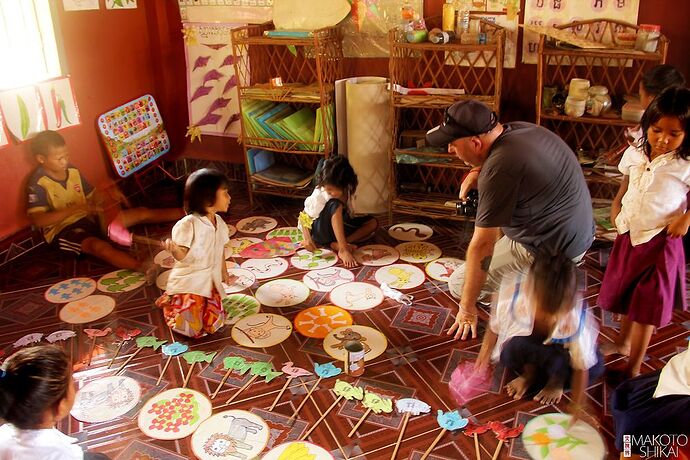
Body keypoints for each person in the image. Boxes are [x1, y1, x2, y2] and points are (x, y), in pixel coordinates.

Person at [425, 100, 594, 340]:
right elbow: (502, 161)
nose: (450, 150)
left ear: (475, 143)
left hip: (552, 252)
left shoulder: (499, 169)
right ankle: (539, 288)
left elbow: (483, 245)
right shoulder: (520, 129)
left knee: (459, 284)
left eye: (452, 144)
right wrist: (476, 170)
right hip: (578, 233)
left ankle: (538, 295)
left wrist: (467, 308)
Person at [598, 86, 690, 378]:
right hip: (629, 236)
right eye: (657, 129)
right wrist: (616, 210)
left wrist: (687, 218)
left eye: (674, 134)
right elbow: (624, 187)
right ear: (647, 124)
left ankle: (634, 368)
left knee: (646, 308)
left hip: (661, 242)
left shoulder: (684, 164)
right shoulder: (634, 153)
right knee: (627, 295)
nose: (663, 139)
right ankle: (622, 343)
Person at [26, 130, 183, 278]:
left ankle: (189, 212)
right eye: (59, 158)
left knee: (141, 212)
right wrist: (78, 208)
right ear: (41, 159)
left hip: (90, 217)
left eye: (67, 155)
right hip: (65, 230)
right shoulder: (38, 183)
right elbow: (38, 220)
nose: (65, 161)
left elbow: (93, 195)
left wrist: (108, 193)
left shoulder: (72, 170)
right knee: (99, 247)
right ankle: (143, 267)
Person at [473, 253, 603, 423]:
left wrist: (577, 407)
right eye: (542, 311)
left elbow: (581, 367)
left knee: (590, 367)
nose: (548, 319)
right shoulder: (512, 298)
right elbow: (493, 328)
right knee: (514, 349)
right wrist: (482, 359)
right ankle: (530, 375)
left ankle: (557, 382)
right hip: (529, 340)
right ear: (527, 290)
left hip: (561, 351)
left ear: (569, 304)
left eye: (556, 314)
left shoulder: (577, 320)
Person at [155, 168, 235, 338]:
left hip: (208, 278)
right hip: (191, 282)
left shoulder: (219, 222)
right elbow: (183, 256)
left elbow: (219, 248)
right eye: (225, 193)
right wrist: (175, 248)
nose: (229, 198)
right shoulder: (188, 224)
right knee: (192, 329)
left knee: (213, 324)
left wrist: (223, 272)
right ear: (207, 199)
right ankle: (174, 304)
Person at [0, 346, 109, 459]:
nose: (74, 382)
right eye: (71, 381)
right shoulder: (66, 456)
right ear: (60, 406)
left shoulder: (3, 435)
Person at [298, 155, 378, 268]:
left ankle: (340, 243)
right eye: (326, 188)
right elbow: (303, 216)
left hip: (338, 229)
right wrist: (307, 239)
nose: (327, 191)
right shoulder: (320, 193)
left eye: (331, 189)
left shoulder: (349, 189)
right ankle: (343, 249)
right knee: (336, 205)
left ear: (344, 185)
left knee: (373, 223)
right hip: (321, 231)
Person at [611, 343, 690, 457]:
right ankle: (628, 453)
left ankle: (629, 453)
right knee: (626, 397)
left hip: (683, 389)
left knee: (632, 425)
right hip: (678, 374)